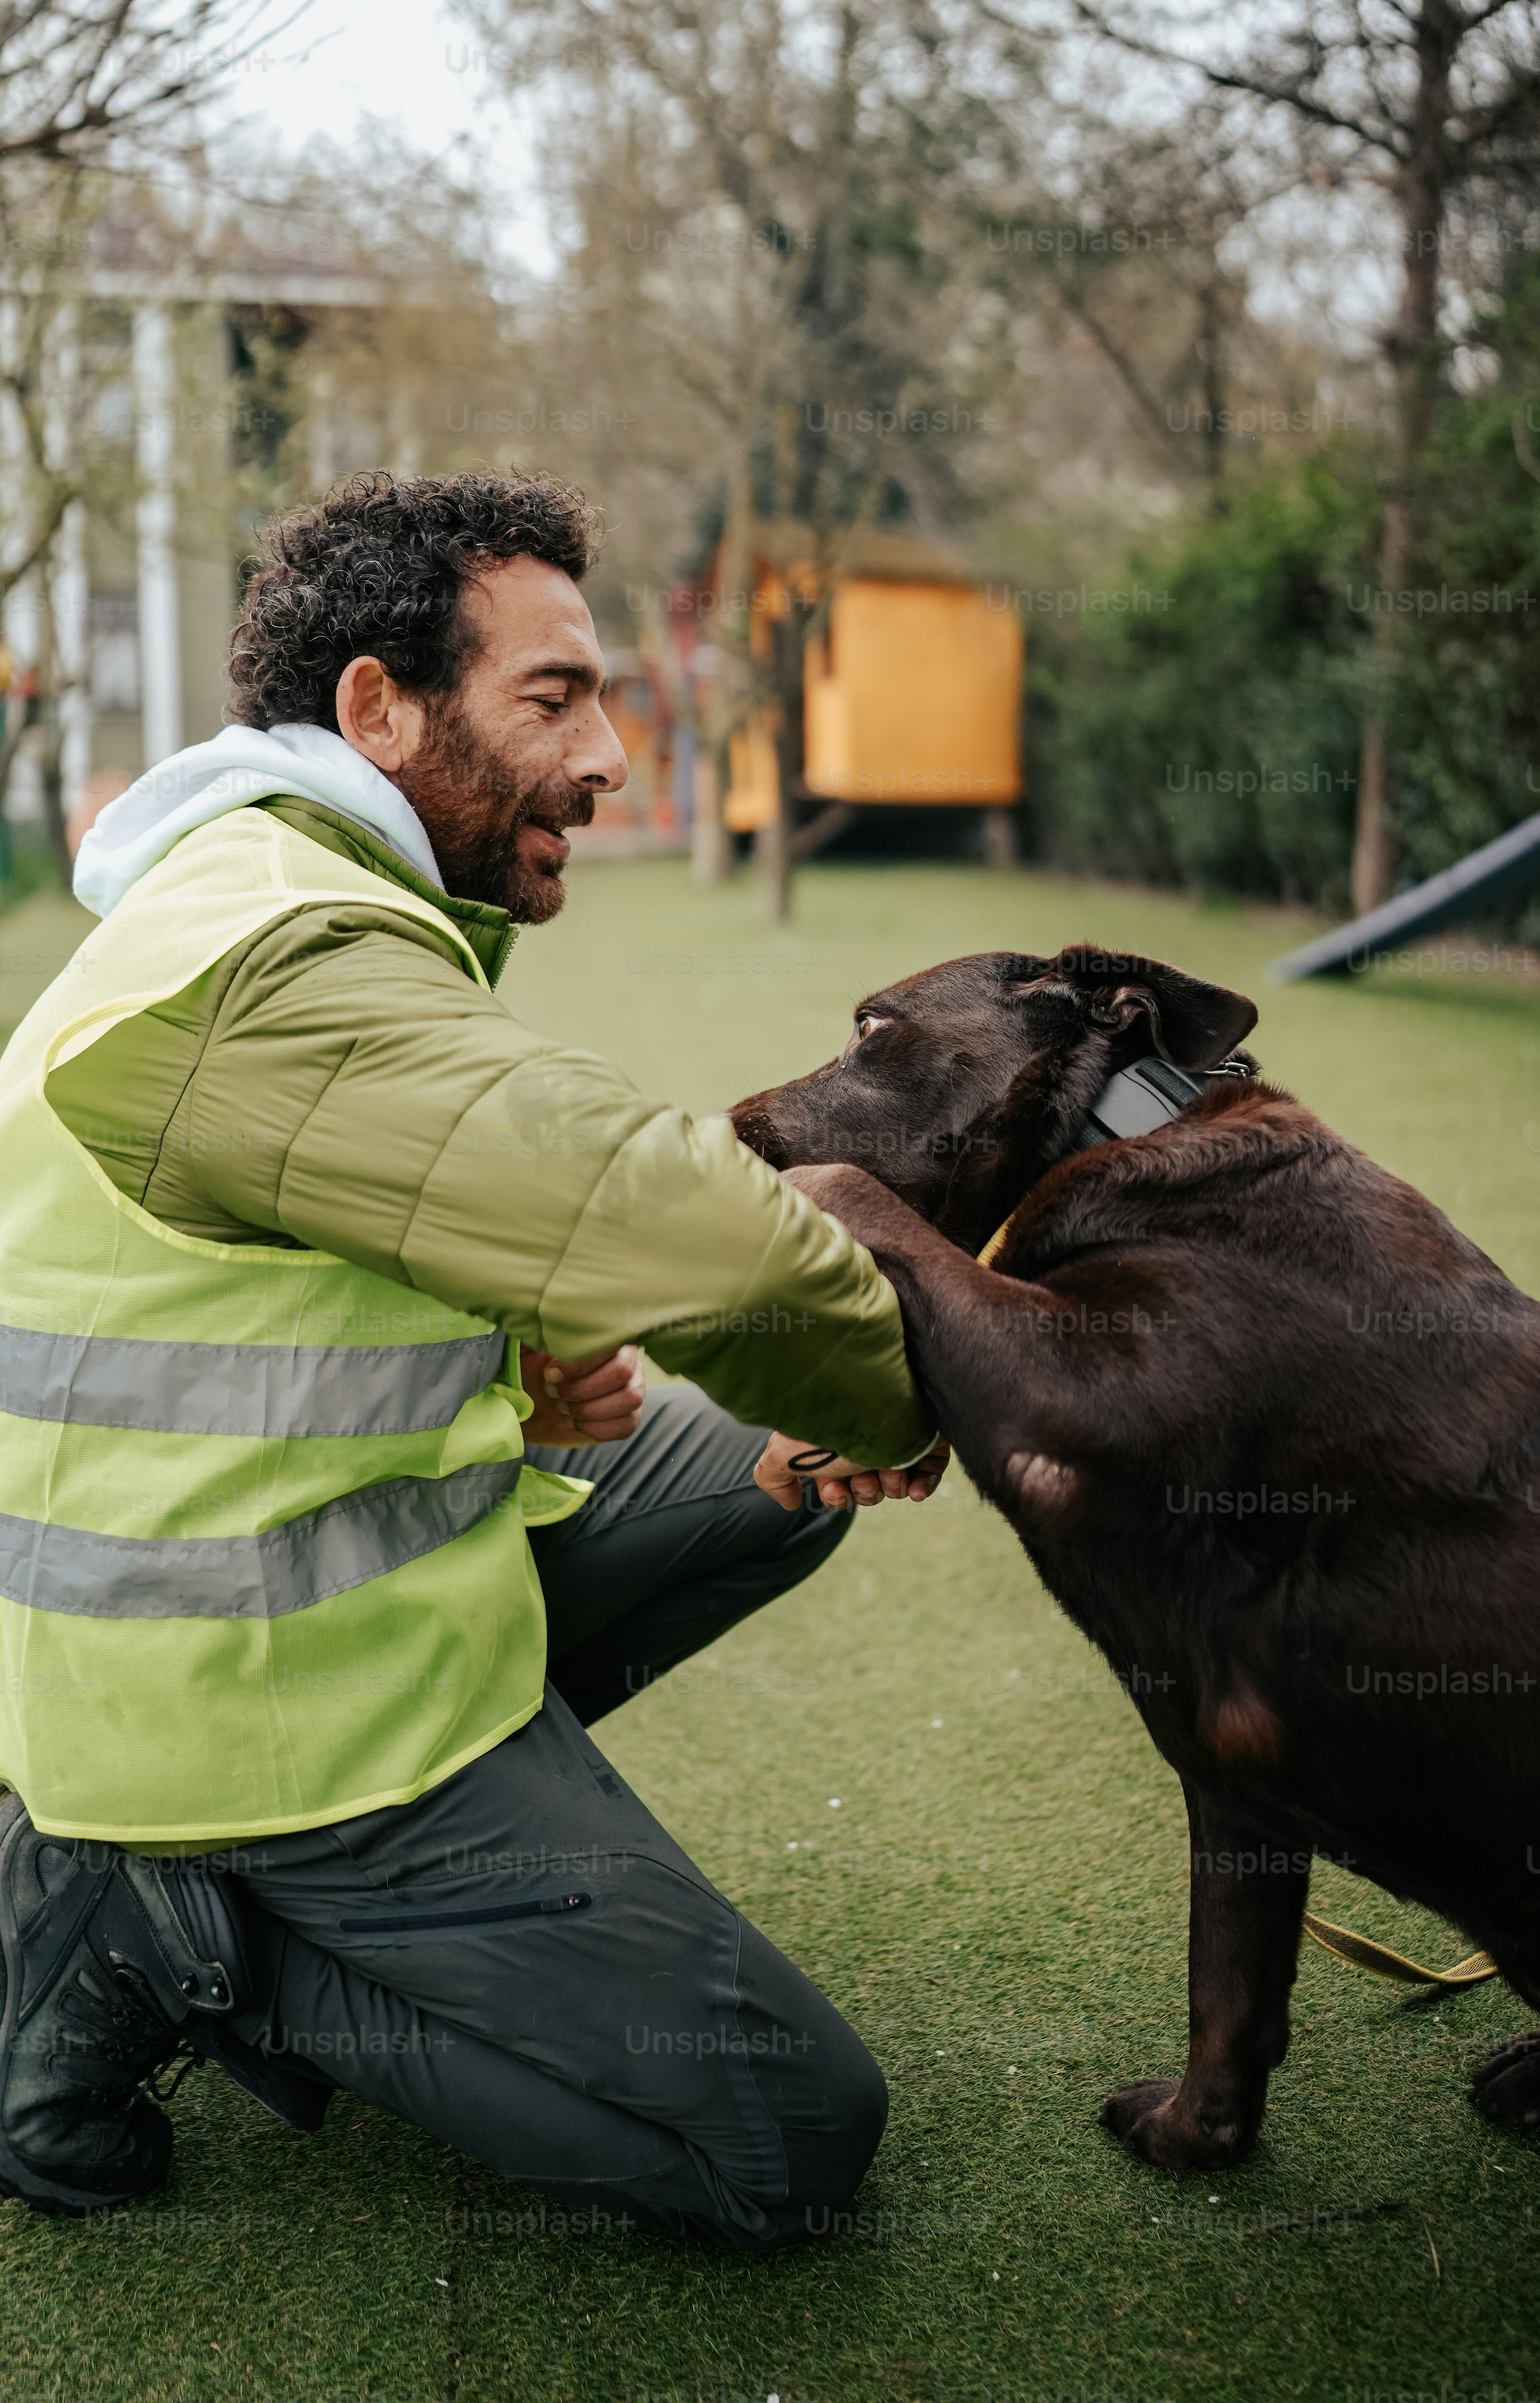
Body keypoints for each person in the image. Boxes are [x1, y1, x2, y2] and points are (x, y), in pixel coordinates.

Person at [0, 470, 946, 2244]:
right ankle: (206, 1939)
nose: (607, 758)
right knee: (791, 2141)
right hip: (245, 1698)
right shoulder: (275, 966)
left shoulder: (275, 884)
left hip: (312, 1577)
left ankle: (237, 1875)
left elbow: (259, 1283)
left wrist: (516, 1368)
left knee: (763, 1475)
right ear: (376, 707)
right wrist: (923, 1391)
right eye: (554, 698)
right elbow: (700, 1236)